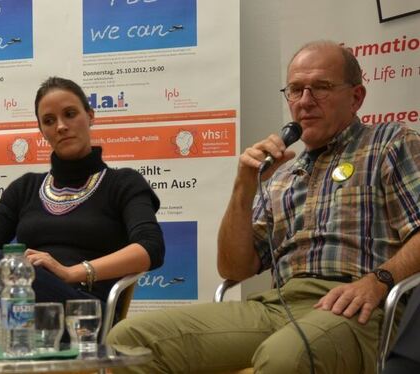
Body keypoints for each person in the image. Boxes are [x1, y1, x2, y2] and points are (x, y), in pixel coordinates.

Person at [107, 40, 420, 373]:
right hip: (278, 306)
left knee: (285, 357)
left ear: (356, 97)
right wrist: (244, 186)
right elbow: (233, 269)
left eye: (321, 88)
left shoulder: (391, 143)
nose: (305, 102)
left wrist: (378, 280)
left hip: (357, 306)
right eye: (296, 90)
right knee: (128, 339)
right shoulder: (282, 175)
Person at [0, 76, 165, 343]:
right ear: (42, 131)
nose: (61, 126)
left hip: (83, 312)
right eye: (49, 121)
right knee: (3, 298)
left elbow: (150, 248)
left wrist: (71, 272)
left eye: (70, 114)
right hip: (22, 306)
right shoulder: (25, 187)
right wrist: (5, 275)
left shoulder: (122, 183)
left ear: (90, 115)